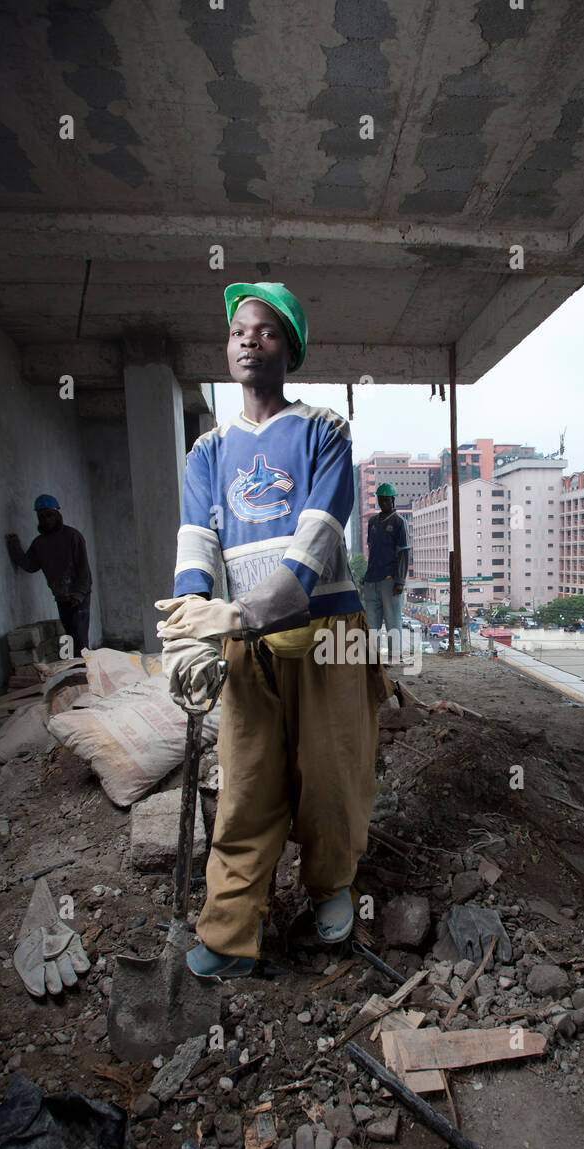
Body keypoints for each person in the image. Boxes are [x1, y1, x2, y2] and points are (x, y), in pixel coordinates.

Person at [155, 282, 390, 981]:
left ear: (289, 348)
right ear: (227, 349)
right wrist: (189, 631)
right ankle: (229, 931)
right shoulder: (207, 451)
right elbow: (195, 544)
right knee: (248, 785)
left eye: (265, 330)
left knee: (331, 773)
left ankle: (330, 889)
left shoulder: (324, 430)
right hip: (247, 647)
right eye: (237, 331)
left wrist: (239, 615)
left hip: (327, 637)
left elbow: (319, 538)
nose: (248, 339)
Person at [5, 497, 92, 655]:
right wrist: (14, 546)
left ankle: (86, 670)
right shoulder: (40, 544)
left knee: (80, 638)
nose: (46, 519)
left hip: (79, 597)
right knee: (70, 636)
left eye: (49, 515)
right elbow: (30, 565)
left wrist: (78, 594)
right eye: (42, 516)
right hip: (61, 597)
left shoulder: (73, 536)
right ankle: (74, 669)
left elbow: (84, 570)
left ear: (57, 514)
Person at [363, 483, 410, 663]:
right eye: (380, 499)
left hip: (390, 581)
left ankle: (394, 657)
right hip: (372, 580)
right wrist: (367, 575)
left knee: (392, 621)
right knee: (371, 623)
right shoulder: (373, 522)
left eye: (386, 499)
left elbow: (404, 552)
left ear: (393, 500)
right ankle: (372, 660)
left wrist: (400, 580)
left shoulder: (399, 522)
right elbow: (372, 550)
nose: (383, 502)